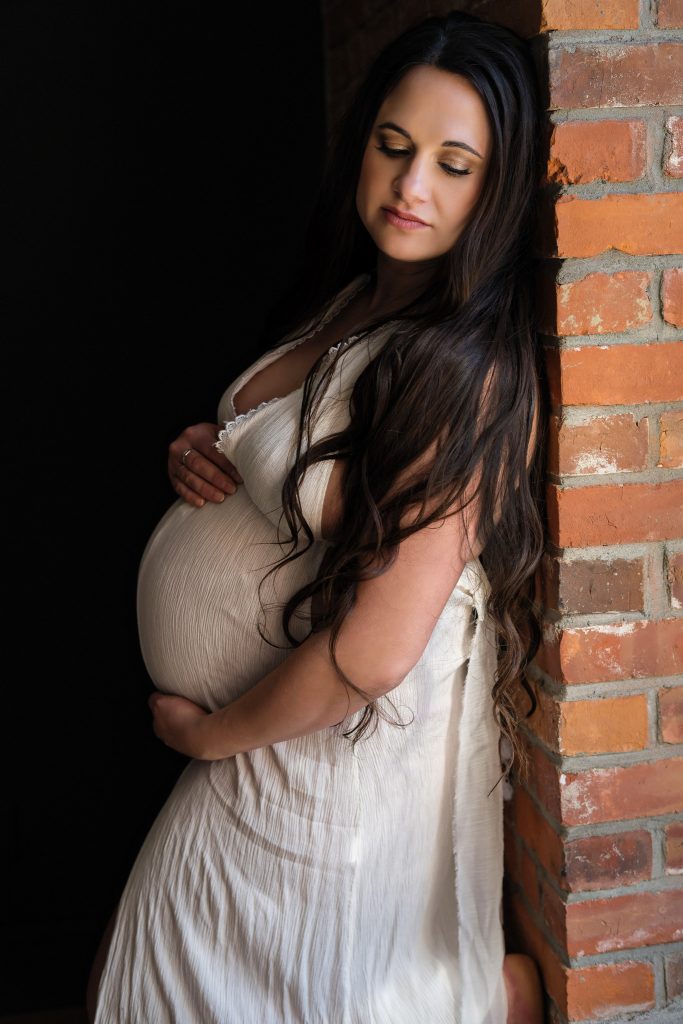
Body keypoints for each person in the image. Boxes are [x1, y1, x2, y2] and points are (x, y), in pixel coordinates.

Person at [87, 9, 547, 1023]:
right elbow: (287, 446)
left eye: (452, 164)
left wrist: (210, 737)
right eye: (392, 146)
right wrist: (204, 446)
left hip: (323, 772)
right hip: (269, 758)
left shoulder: (463, 374)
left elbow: (377, 649)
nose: (409, 185)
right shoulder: (354, 296)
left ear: (498, 187)